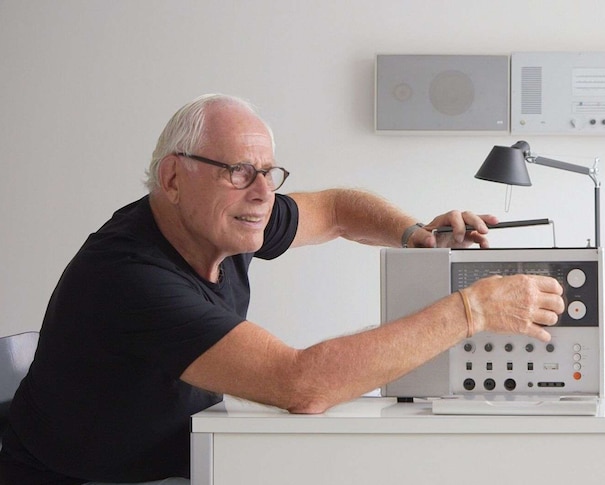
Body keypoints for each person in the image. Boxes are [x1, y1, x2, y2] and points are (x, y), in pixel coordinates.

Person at [0, 94, 564, 484]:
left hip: (189, 451)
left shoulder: (229, 217)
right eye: (239, 171)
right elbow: (303, 384)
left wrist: (415, 234)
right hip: (84, 477)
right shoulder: (130, 277)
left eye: (270, 172)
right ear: (173, 178)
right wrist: (473, 308)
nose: (263, 192)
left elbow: (340, 209)